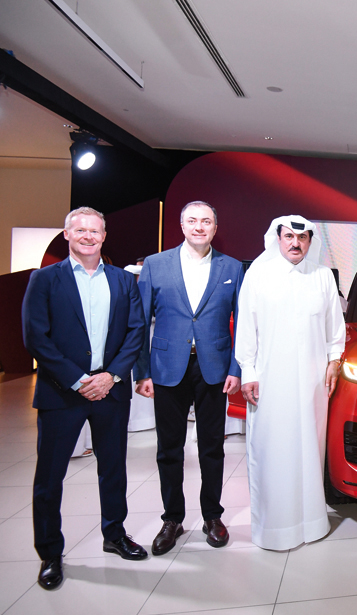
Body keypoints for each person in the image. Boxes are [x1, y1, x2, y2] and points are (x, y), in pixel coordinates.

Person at [22, 207, 147, 590]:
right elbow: (35, 337)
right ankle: (50, 553)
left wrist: (111, 376)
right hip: (62, 392)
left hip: (111, 390)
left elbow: (136, 331)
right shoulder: (45, 279)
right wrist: (78, 380)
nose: (88, 236)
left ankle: (115, 534)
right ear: (67, 234)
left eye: (95, 231)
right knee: (50, 477)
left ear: (104, 236)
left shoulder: (123, 280)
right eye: (81, 230)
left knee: (113, 469)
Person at [134, 201, 244, 555]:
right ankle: (172, 518)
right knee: (169, 448)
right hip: (168, 367)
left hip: (214, 368)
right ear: (181, 226)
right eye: (192, 221)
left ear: (215, 227)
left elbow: (243, 322)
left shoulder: (232, 267)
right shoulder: (156, 265)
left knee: (212, 447)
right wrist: (142, 371)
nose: (199, 226)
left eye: (206, 221)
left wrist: (236, 368)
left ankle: (212, 515)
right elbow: (140, 321)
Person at [235, 215, 346, 550]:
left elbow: (334, 328)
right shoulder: (258, 275)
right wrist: (248, 371)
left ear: (310, 241)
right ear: (278, 238)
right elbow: (247, 327)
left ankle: (312, 524)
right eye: (289, 237)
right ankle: (275, 529)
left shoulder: (322, 276)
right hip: (270, 381)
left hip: (313, 383)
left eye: (302, 238)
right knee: (273, 450)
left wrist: (334, 361)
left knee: (310, 449)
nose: (296, 243)